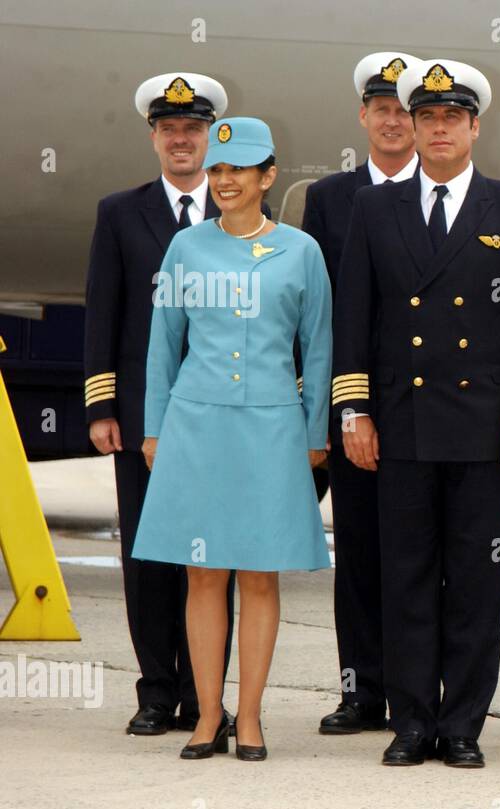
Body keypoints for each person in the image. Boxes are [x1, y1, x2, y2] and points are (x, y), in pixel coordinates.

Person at [332, 58, 500, 768]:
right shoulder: (375, 207)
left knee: (475, 577)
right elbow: (354, 317)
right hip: (400, 422)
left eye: (449, 118)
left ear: (473, 127)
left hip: (483, 429)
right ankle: (410, 720)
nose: (435, 129)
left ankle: (461, 722)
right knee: (404, 574)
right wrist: (354, 409)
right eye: (425, 118)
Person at [133, 117, 333, 761]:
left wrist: (313, 433)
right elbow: (162, 345)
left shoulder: (302, 251)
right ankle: (206, 714)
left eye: (237, 170)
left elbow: (320, 348)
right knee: (202, 574)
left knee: (260, 577)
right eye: (216, 170)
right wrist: (155, 427)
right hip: (197, 426)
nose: (224, 180)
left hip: (273, 427)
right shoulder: (186, 249)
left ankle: (248, 717)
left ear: (267, 176)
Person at [84, 72, 235, 736]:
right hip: (147, 414)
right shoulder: (120, 213)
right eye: (170, 130)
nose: (182, 140)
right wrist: (102, 406)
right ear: (153, 137)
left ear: (209, 136)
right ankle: (154, 691)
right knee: (148, 556)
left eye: (193, 129)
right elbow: (103, 315)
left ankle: (207, 698)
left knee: (213, 558)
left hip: (222, 417)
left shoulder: (238, 212)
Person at [302, 51, 420, 736]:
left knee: (419, 557)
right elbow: (321, 312)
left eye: (405, 109)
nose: (393, 119)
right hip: (356, 404)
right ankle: (360, 689)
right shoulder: (330, 200)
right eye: (382, 108)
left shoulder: (449, 190)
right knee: (361, 556)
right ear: (364, 116)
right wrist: (336, 406)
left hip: (429, 404)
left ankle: (414, 691)